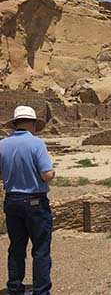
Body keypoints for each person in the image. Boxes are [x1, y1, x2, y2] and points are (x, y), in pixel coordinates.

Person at [0, 106, 55, 295]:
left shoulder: (2, 144)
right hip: (35, 202)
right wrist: (51, 173)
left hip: (12, 200)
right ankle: (41, 291)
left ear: (15, 124)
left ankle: (14, 288)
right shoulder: (36, 143)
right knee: (40, 248)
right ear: (32, 123)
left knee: (16, 247)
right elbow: (46, 174)